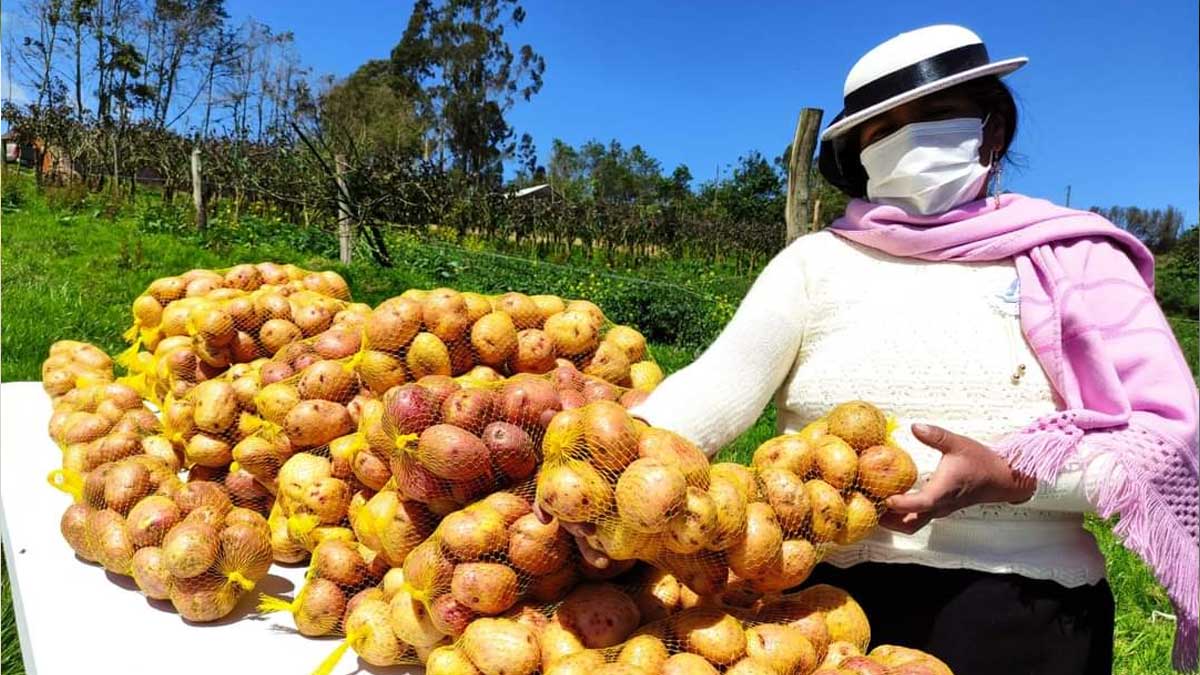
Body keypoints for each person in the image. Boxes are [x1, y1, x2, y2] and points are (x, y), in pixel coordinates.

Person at [541, 24, 1199, 675]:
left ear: (992, 128)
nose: (909, 141)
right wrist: (604, 472)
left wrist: (1014, 478)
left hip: (1023, 610)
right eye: (885, 129)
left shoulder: (1076, 261)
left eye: (938, 115)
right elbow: (717, 385)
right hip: (821, 614)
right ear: (859, 152)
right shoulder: (815, 263)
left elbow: (1166, 444)